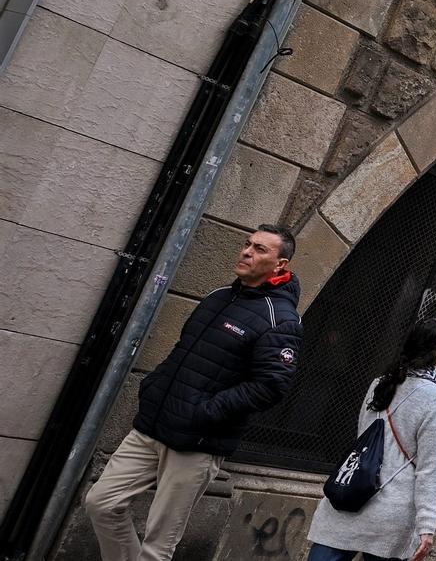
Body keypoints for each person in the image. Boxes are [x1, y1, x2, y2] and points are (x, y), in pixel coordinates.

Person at [85, 225, 304, 561]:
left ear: (280, 264)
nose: (247, 252)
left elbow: (271, 386)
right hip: (152, 427)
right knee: (101, 502)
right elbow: (183, 349)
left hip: (197, 443)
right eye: (247, 244)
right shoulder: (219, 296)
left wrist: (204, 411)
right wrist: (155, 386)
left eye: (260, 249)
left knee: (157, 547)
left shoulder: (281, 319)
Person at [306, 318, 436, 561]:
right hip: (390, 511)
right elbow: (429, 467)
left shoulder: (381, 382)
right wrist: (427, 525)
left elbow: (362, 437)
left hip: (349, 495)